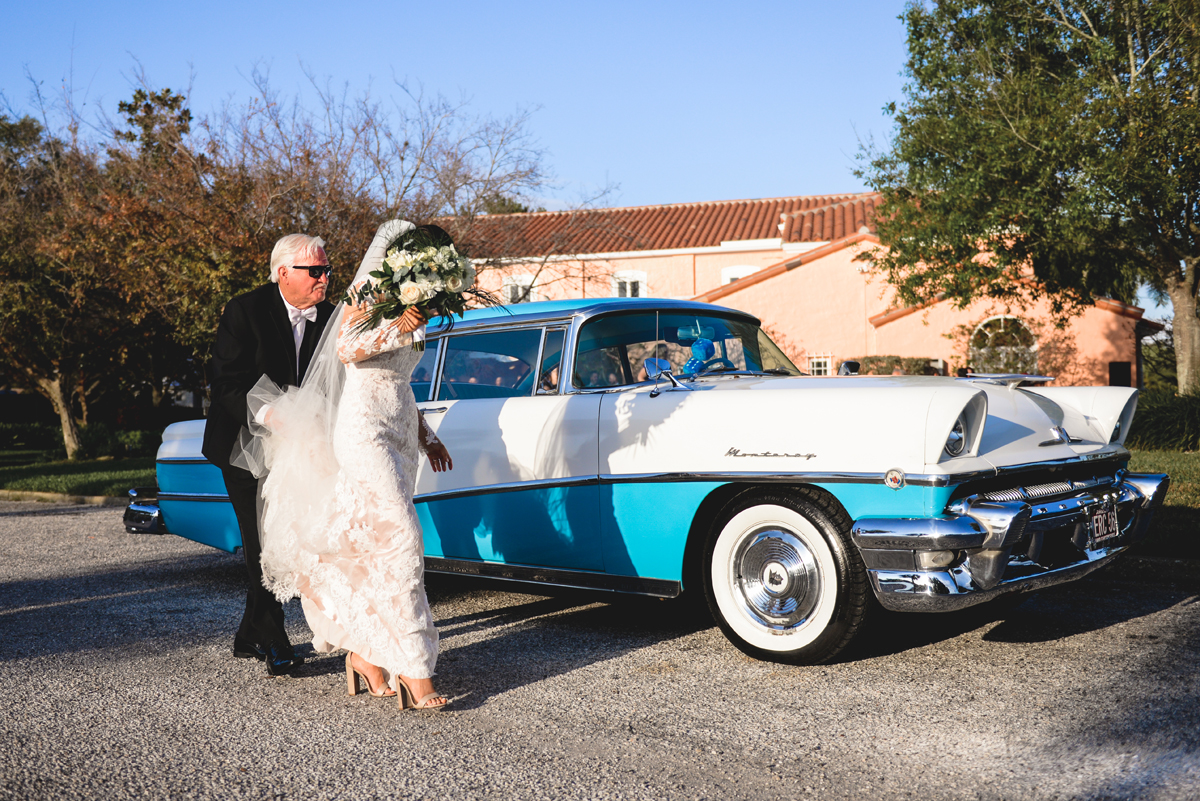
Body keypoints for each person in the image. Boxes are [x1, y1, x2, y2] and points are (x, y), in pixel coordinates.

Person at [234, 220, 455, 711]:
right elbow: (348, 349)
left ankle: (363, 654)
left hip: (397, 432)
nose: (325, 277)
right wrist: (401, 324)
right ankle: (417, 672)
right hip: (361, 432)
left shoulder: (409, 306)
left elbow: (400, 380)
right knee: (401, 538)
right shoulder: (366, 297)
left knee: (366, 544)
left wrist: (426, 435)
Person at [202, 234, 335, 676]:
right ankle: (274, 637)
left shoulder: (332, 317)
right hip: (245, 441)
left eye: (326, 270)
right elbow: (224, 383)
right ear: (284, 273)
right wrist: (270, 413)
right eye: (314, 271)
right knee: (262, 539)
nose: (324, 278)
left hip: (303, 447)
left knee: (291, 536)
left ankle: (248, 633)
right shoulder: (245, 310)